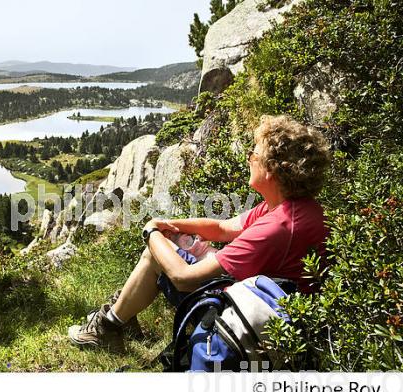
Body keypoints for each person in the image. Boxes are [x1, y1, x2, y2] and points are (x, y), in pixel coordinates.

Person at [68, 115, 331, 353]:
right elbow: (224, 228)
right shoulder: (290, 207)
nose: (249, 157)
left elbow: (184, 279)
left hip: (244, 318)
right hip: (268, 307)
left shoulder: (277, 227)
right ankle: (122, 314)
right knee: (167, 244)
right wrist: (169, 225)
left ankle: (107, 327)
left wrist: (151, 234)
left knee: (155, 253)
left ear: (272, 169)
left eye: (256, 154)